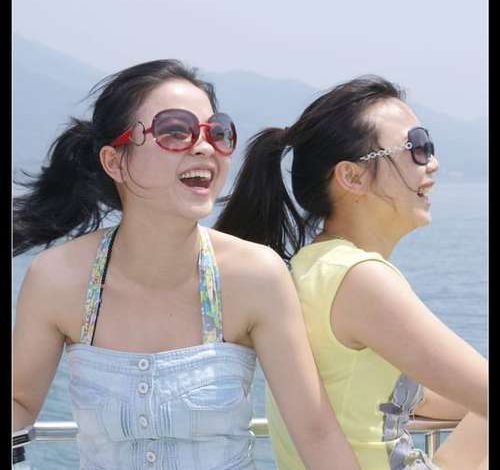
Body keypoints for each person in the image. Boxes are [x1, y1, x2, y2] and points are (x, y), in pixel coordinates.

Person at [13, 60, 361, 470]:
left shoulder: (255, 275)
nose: (204, 147)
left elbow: (315, 432)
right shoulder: (58, 278)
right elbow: (20, 401)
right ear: (114, 161)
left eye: (217, 132)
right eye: (175, 131)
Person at [215, 75, 487, 470]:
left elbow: (406, 397)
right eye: (416, 147)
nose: (433, 162)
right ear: (352, 177)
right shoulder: (360, 278)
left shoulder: (310, 267)